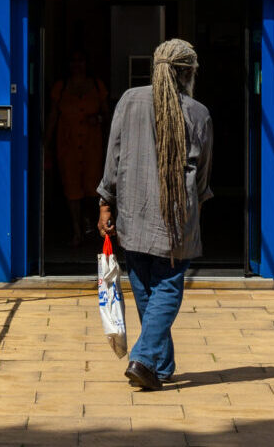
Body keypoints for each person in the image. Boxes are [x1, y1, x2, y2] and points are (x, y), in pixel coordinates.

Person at [96, 37, 213, 391]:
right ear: (188, 73)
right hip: (175, 218)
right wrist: (197, 202)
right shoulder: (197, 112)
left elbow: (113, 155)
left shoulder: (129, 101)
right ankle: (145, 358)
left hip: (132, 212)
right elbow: (203, 173)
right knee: (167, 287)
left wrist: (105, 201)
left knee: (146, 286)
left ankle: (161, 366)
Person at [44, 52, 109, 245]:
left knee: (93, 188)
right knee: (72, 188)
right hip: (68, 146)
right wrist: (46, 145)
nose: (77, 65)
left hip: (92, 146)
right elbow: (53, 116)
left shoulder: (97, 85)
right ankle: (77, 230)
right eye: (73, 61)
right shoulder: (61, 87)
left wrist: (96, 119)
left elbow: (107, 115)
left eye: (81, 60)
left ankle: (94, 224)